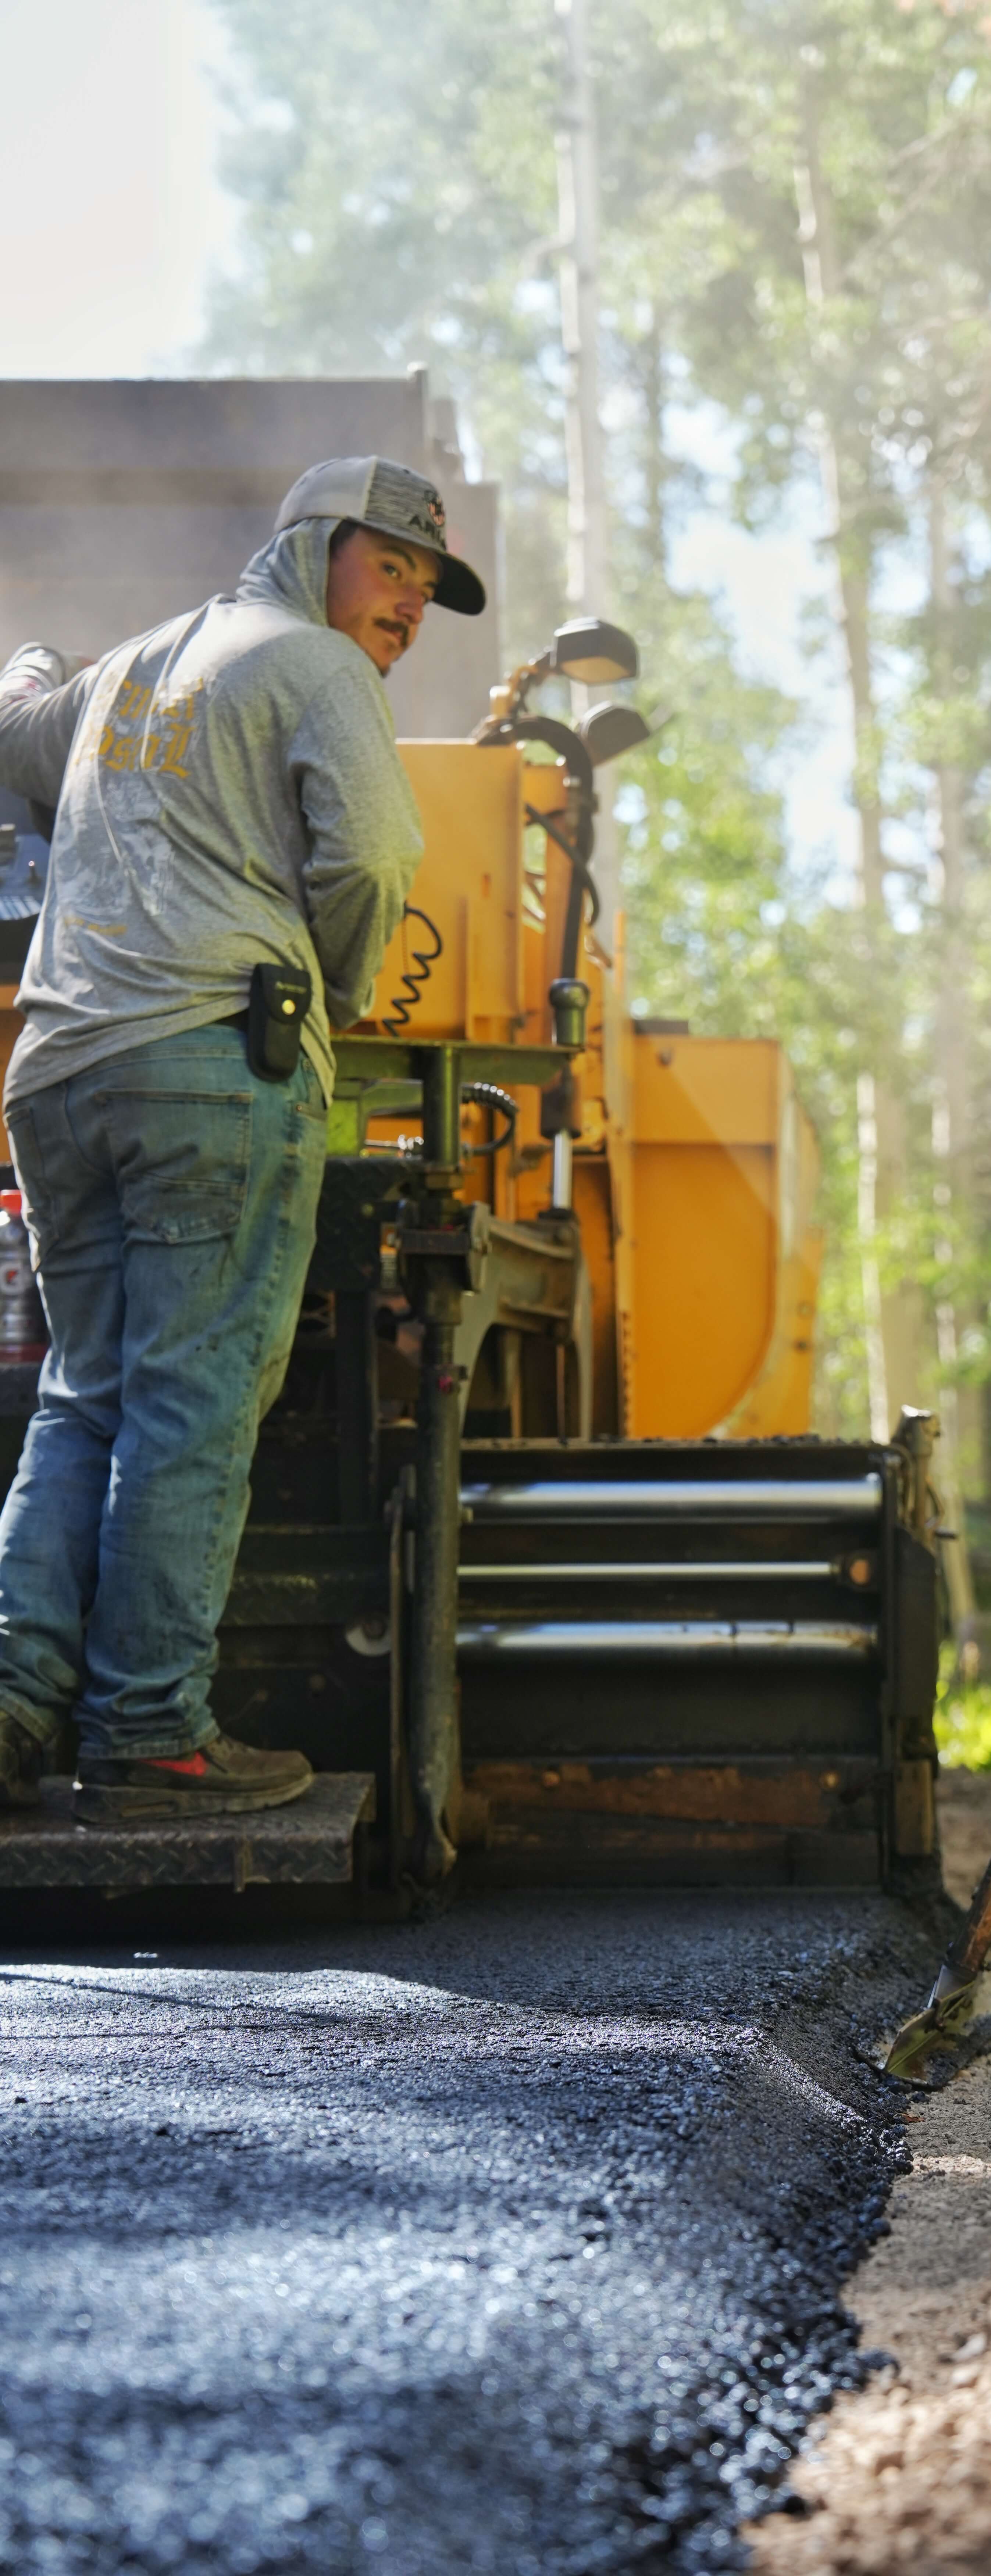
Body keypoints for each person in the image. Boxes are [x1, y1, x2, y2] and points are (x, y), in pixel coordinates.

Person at [0, 456, 485, 1820]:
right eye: (392, 570)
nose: (409, 610)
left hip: (56, 1073)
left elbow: (10, 731)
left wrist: (33, 658)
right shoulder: (316, 664)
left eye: (429, 590)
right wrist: (328, 1005)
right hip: (211, 1064)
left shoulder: (132, 670)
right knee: (192, 1399)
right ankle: (150, 1728)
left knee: (82, 1395)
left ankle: (14, 1703)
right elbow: (377, 857)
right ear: (321, 546)